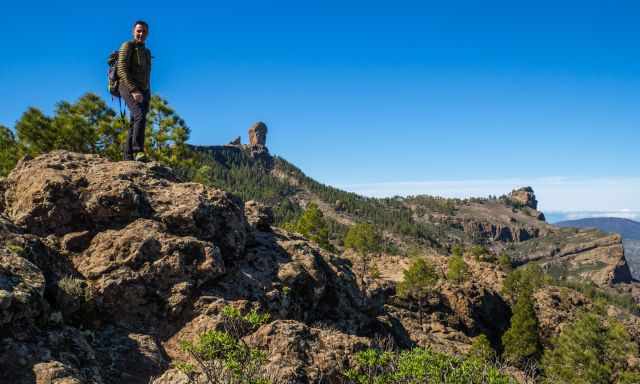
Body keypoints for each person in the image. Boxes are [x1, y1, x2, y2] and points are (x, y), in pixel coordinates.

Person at [117, 20, 152, 161]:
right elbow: (121, 69)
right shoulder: (127, 46)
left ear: (147, 33)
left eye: (143, 31)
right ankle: (138, 151)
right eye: (138, 31)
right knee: (139, 115)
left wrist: (147, 91)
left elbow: (147, 74)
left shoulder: (147, 52)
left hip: (144, 90)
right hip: (126, 85)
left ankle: (128, 156)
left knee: (135, 119)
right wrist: (133, 89)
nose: (141, 33)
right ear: (133, 32)